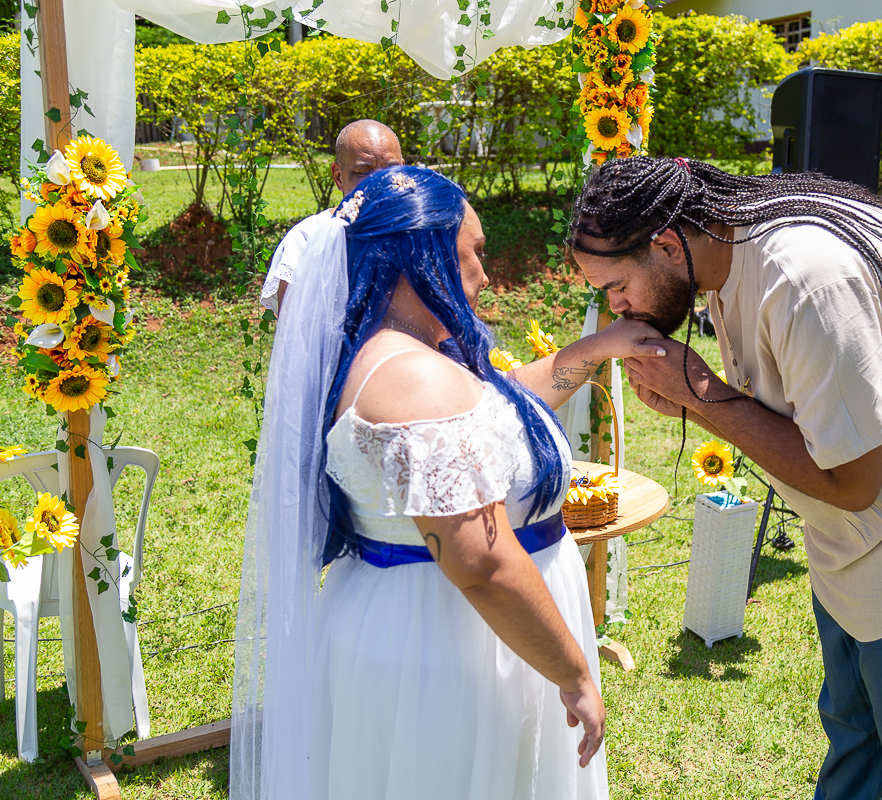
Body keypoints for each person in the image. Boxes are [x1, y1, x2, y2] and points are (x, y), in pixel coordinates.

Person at [569, 157, 882, 800]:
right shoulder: (730, 247)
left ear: (665, 243)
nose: (616, 305)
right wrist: (698, 397)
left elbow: (853, 481)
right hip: (851, 540)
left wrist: (701, 392)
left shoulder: (804, 278)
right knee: (858, 743)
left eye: (617, 284)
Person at [230, 166, 665, 800]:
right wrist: (573, 672)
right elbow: (481, 560)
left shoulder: (399, 354)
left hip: (444, 625)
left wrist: (594, 349)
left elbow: (496, 413)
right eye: (475, 254)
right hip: (449, 640)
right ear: (419, 257)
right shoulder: (415, 381)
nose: (486, 275)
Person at [260, 119, 405, 315]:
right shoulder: (306, 239)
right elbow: (295, 336)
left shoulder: (422, 230)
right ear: (338, 177)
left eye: (391, 170)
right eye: (363, 172)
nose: (380, 183)